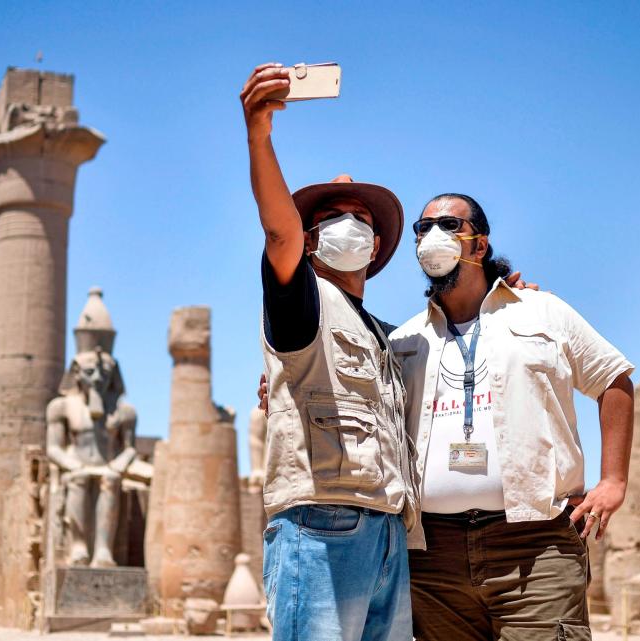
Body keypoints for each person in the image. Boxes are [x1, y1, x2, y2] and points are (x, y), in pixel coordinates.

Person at [389, 193, 635, 641]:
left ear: (479, 245)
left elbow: (613, 379)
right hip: (431, 552)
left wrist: (613, 480)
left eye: (447, 225)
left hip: (535, 543)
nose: (431, 237)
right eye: (422, 229)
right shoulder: (405, 339)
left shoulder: (543, 310)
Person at [241, 62, 418, 641]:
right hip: (322, 524)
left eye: (363, 219)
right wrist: (259, 136)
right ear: (312, 238)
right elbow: (278, 235)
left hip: (389, 530)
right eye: (335, 218)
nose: (352, 225)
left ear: (376, 246)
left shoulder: (385, 334)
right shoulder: (304, 302)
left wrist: (509, 291)